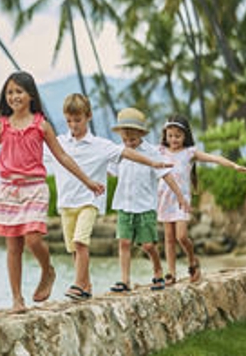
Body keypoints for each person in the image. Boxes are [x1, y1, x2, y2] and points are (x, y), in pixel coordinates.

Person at [0, 71, 105, 314]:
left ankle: (47, 270)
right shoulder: (2, 126)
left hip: (34, 188)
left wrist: (87, 181)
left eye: (19, 91)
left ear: (30, 95)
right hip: (8, 190)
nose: (14, 96)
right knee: (13, 248)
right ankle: (17, 299)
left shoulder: (42, 125)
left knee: (33, 238)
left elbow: (62, 156)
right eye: (9, 92)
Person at [52, 94, 172, 301]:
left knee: (82, 242)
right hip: (68, 203)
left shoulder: (101, 145)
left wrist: (152, 163)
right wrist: (8, 168)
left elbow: (125, 153)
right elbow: (35, 156)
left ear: (88, 116)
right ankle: (88, 285)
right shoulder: (59, 142)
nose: (73, 125)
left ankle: (79, 285)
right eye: (69, 121)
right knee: (74, 248)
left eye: (77, 120)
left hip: (94, 202)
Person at [108, 108, 191, 294]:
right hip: (124, 205)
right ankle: (124, 280)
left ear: (140, 134)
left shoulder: (152, 152)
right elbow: (108, 172)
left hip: (145, 206)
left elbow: (167, 175)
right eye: (125, 139)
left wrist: (180, 196)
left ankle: (158, 270)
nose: (128, 143)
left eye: (132, 140)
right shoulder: (119, 152)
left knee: (148, 245)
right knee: (124, 242)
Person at [158, 114, 246, 285]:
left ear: (185, 135)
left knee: (181, 237)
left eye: (178, 135)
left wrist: (234, 165)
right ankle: (171, 273)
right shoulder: (160, 151)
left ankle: (192, 260)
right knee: (168, 238)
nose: (174, 139)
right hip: (164, 198)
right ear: (165, 135)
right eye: (170, 135)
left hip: (182, 200)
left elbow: (214, 158)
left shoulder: (189, 153)